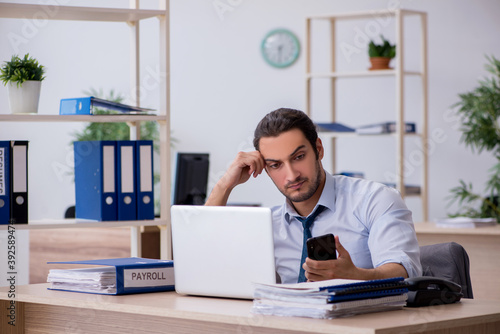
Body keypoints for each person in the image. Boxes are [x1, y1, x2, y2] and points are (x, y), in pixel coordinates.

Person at [205, 108, 422, 284]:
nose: (291, 175)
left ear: (318, 149)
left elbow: (405, 271)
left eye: (299, 157)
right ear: (266, 169)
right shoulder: (267, 225)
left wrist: (357, 276)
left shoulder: (375, 200)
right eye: (276, 165)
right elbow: (206, 254)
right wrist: (225, 185)